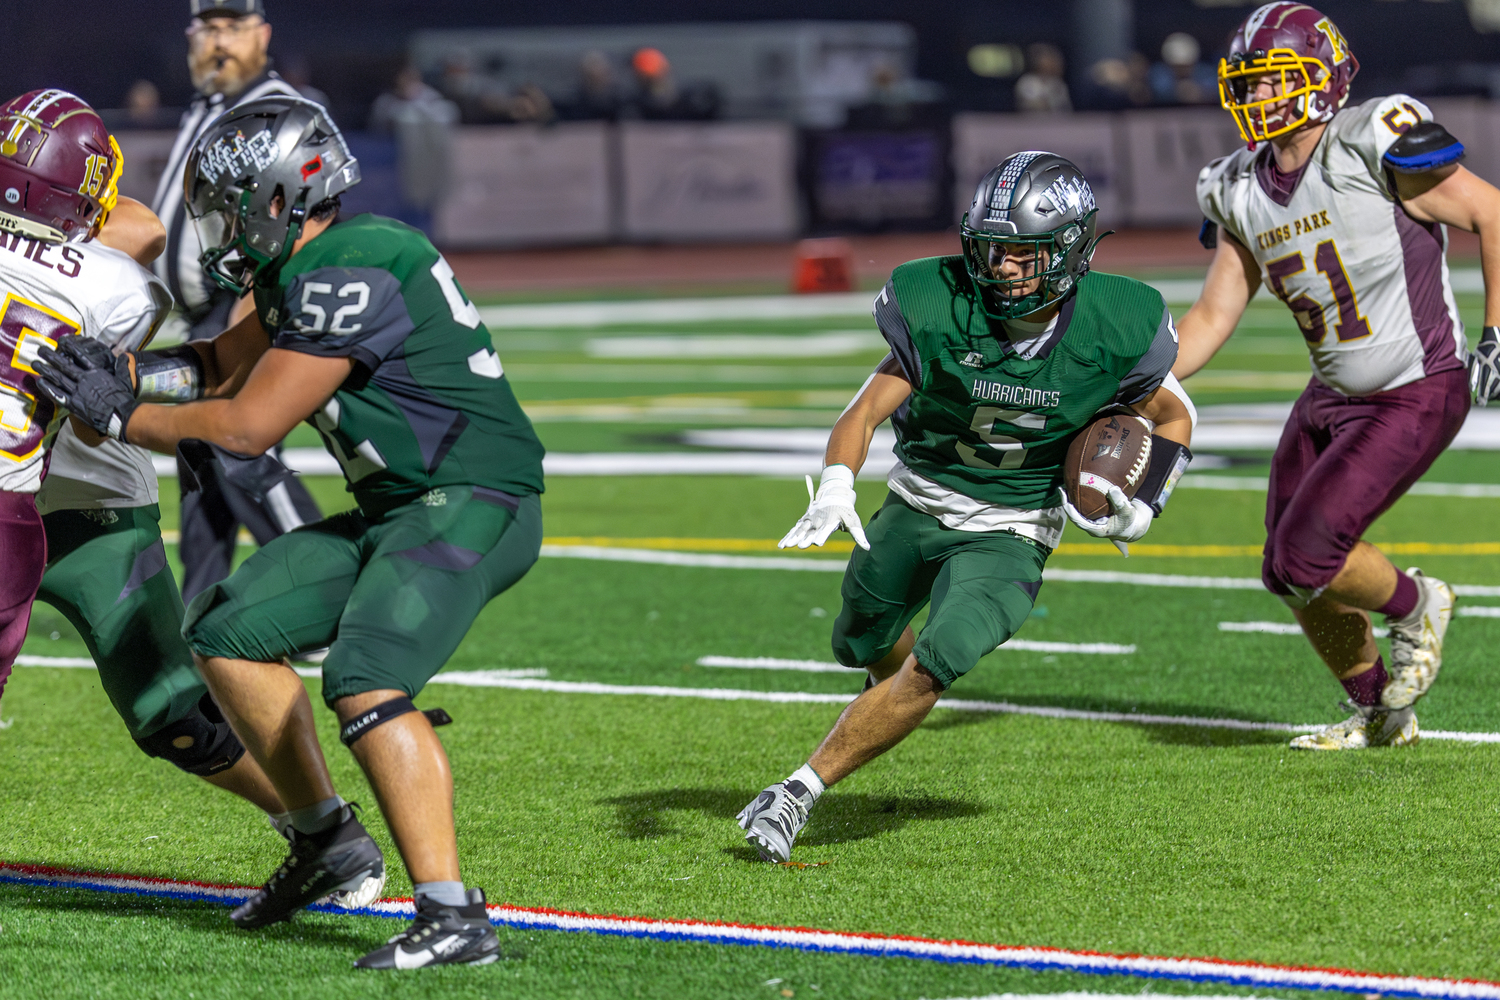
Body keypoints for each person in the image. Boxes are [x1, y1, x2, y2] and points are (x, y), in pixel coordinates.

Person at [37, 96, 546, 969]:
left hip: (472, 498)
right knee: (228, 632)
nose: (215, 227)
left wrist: (118, 416)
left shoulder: (361, 257)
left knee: (365, 676)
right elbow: (208, 366)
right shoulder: (305, 271)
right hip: (400, 507)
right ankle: (324, 840)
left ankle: (454, 914)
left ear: (280, 196)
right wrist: (117, 370)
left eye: (227, 205)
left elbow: (244, 427)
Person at [735, 153, 1196, 862]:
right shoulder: (937, 301)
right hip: (916, 500)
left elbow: (1174, 414)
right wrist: (836, 483)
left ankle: (796, 792)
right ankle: (881, 703)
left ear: (1070, 250)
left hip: (1013, 526)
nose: (1002, 267)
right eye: (990, 248)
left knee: (942, 656)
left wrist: (1147, 501)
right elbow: (862, 412)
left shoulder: (1116, 320)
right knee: (860, 642)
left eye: (1022, 252)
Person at [0, 88, 377, 893]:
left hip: (84, 494)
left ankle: (319, 827)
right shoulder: (102, 269)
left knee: (166, 705)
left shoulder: (96, 261)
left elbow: (139, 226)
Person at [1177, 2, 1497, 749]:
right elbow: (1210, 320)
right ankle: (1380, 713)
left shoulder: (1366, 139)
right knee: (1283, 572)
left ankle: (1418, 603)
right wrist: (1130, 382)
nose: (1257, 97)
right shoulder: (1235, 186)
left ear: (1324, 77)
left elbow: (1491, 211)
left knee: (1308, 552)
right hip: (1331, 397)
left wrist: (1498, 335)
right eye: (1248, 83)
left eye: (1273, 80)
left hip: (1415, 385)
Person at [149, 0, 321, 604]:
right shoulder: (209, 106)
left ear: (263, 35)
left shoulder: (276, 109)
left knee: (240, 447)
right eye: (209, 29)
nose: (219, 42)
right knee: (201, 460)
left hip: (247, 303)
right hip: (204, 312)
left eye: (233, 28)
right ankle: (201, 611)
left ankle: (323, 583)